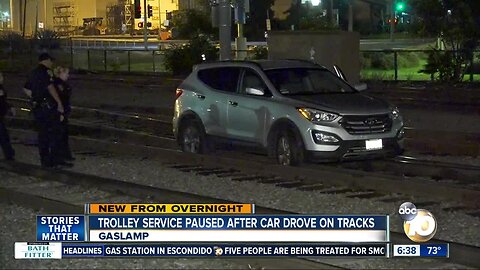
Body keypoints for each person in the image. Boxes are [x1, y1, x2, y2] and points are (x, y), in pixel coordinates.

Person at [24, 53, 72, 168]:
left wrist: (35, 98)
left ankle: (45, 161)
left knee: (43, 134)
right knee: (55, 134)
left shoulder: (33, 72)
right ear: (46, 60)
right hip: (48, 108)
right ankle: (55, 160)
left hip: (38, 107)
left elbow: (26, 88)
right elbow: (50, 88)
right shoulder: (46, 72)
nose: (51, 64)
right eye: (51, 61)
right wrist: (59, 104)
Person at [53, 66, 74, 162]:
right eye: (66, 73)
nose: (68, 75)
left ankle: (65, 155)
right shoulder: (57, 84)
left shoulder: (61, 84)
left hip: (64, 111)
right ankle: (61, 157)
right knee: (60, 135)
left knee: (64, 135)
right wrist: (60, 112)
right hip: (60, 112)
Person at [0, 72, 15, 161]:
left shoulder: (1, 88)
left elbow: (3, 101)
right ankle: (9, 154)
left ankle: (9, 153)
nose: (2, 78)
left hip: (1, 116)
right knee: (3, 136)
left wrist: (10, 106)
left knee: (4, 135)